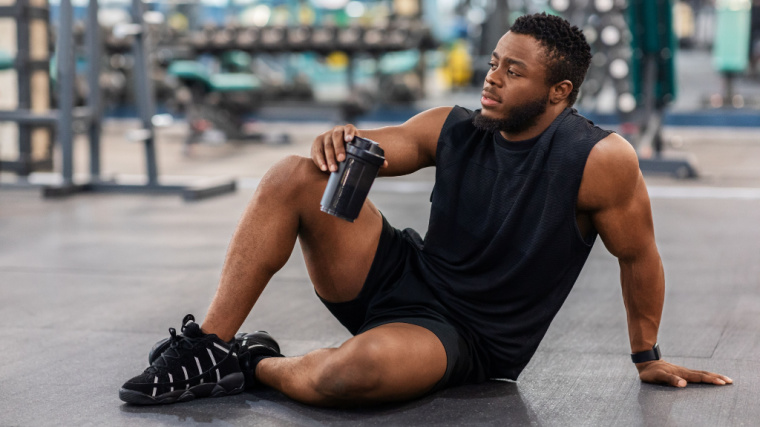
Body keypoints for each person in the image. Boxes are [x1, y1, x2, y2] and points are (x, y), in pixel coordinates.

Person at [119, 13, 732, 407]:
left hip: (466, 338)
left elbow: (638, 254)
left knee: (354, 374)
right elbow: (392, 145)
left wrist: (646, 357)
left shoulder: (598, 157)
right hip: (400, 280)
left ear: (559, 92)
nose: (491, 79)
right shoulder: (456, 126)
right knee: (296, 176)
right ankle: (212, 345)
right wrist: (344, 145)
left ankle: (257, 362)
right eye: (493, 63)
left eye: (512, 72)